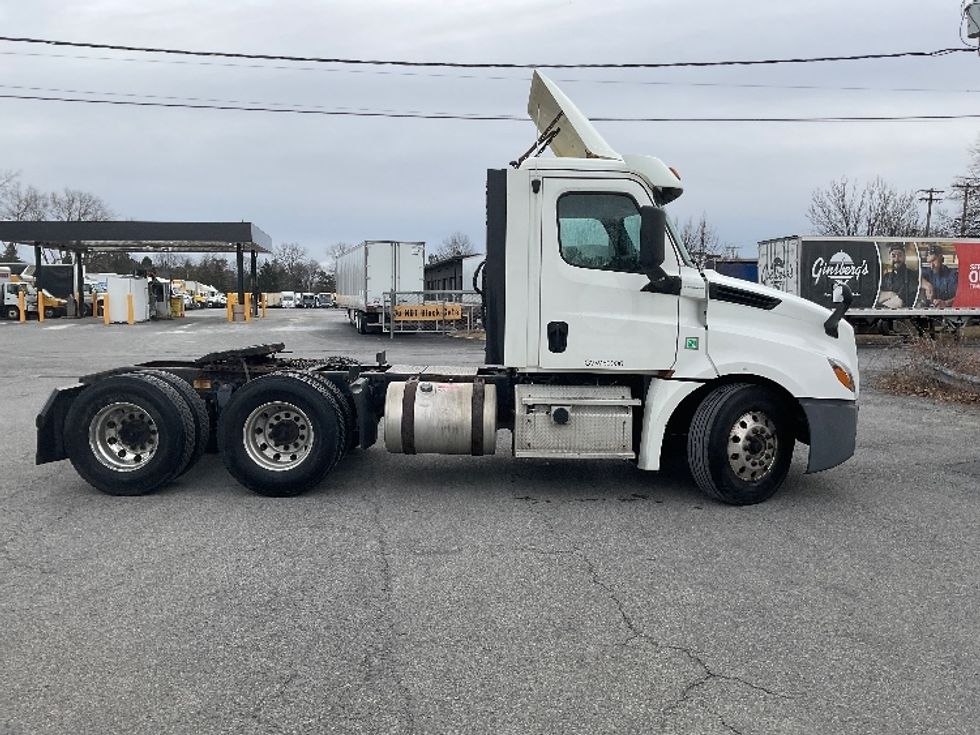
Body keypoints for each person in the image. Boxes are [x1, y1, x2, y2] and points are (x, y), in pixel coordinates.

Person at [877, 243, 918, 309]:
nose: (896, 259)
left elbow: (899, 302)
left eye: (899, 255)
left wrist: (885, 298)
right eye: (893, 256)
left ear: (904, 257)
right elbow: (877, 297)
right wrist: (890, 294)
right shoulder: (886, 277)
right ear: (890, 258)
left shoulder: (911, 275)